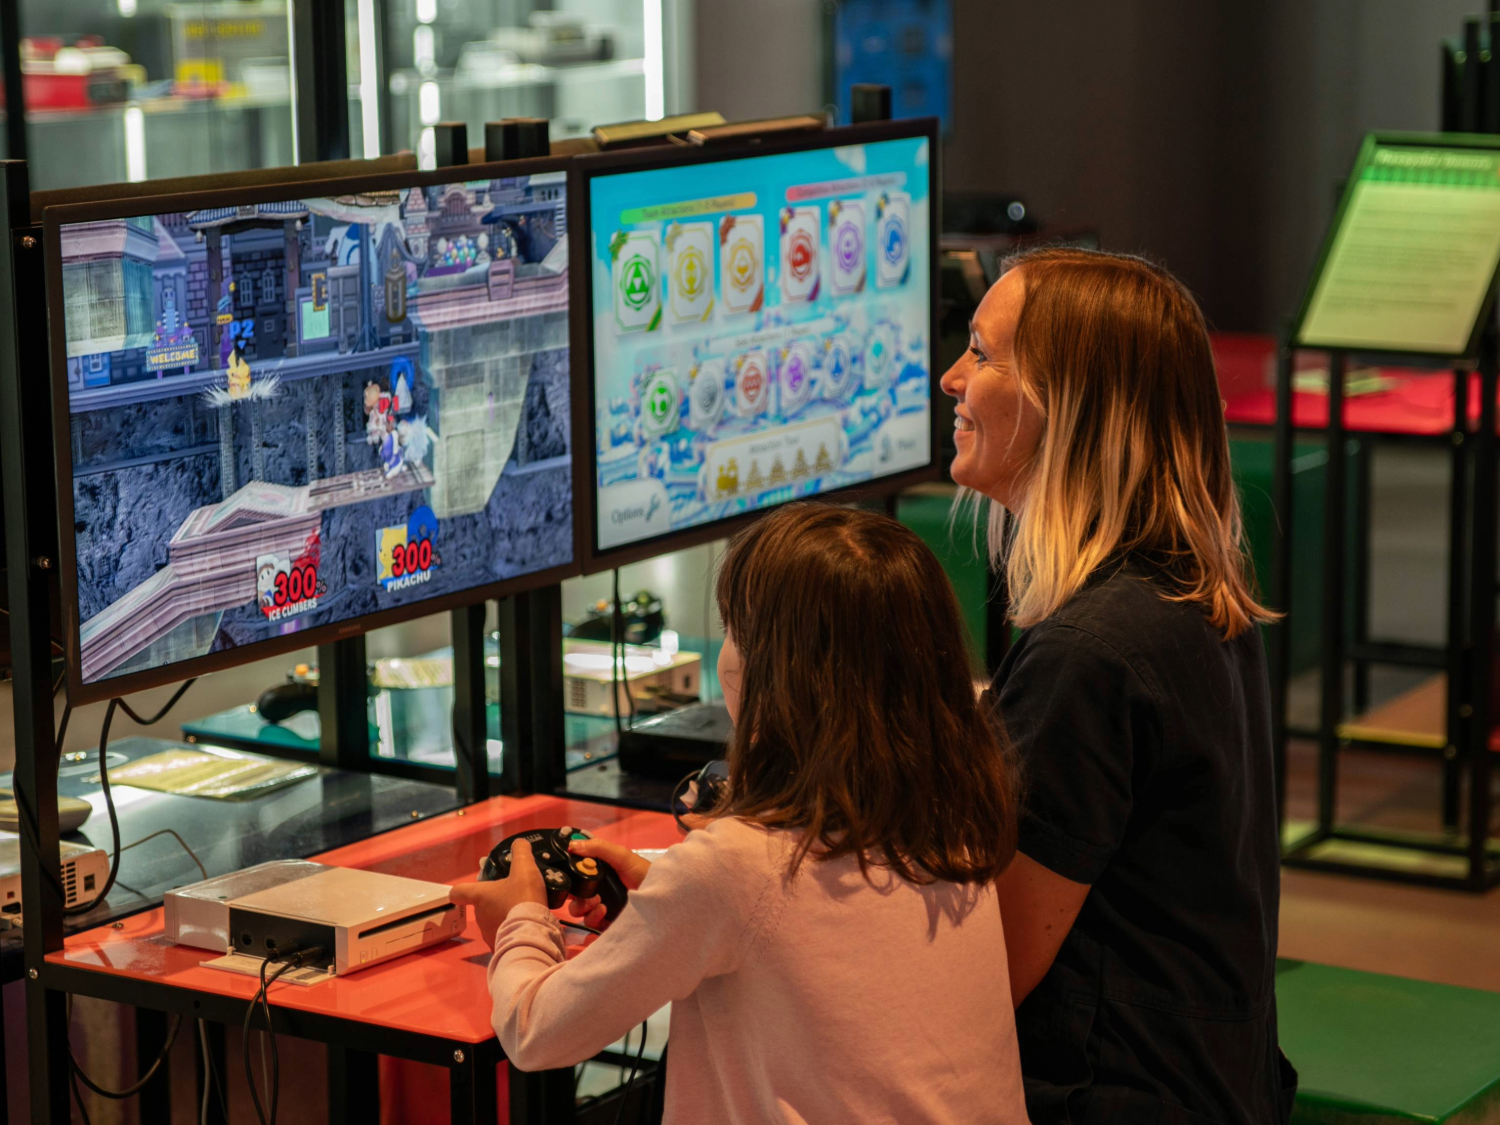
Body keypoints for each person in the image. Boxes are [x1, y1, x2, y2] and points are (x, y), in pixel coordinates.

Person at [452, 503, 1029, 1124]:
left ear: (773, 676)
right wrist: (665, 894)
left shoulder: (738, 867)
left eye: (735, 629)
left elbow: (537, 1033)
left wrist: (520, 919)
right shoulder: (956, 816)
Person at [940, 247, 1296, 1124]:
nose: (952, 377)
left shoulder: (1090, 655)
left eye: (982, 355)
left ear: (1069, 403)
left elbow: (986, 970)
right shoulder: (1191, 592)